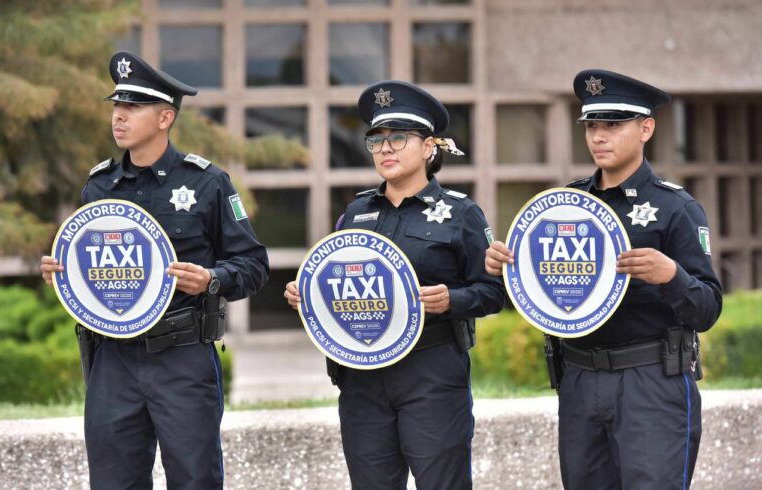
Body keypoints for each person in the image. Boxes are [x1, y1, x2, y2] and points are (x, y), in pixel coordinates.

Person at [40, 51, 269, 489]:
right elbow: (93, 266)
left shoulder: (207, 182)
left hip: (182, 356)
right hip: (113, 359)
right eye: (116, 105)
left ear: (166, 117)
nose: (119, 115)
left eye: (132, 107)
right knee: (113, 481)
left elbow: (254, 265)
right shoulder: (99, 185)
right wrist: (64, 271)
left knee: (195, 479)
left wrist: (211, 279)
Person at [485, 69, 723, 489]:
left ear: (646, 128)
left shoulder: (675, 207)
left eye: (613, 125)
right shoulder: (566, 205)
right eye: (592, 125)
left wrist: (671, 275)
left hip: (651, 381)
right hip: (579, 378)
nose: (598, 136)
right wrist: (505, 270)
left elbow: (707, 308)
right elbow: (540, 294)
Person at [285, 80, 505, 489]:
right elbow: (342, 283)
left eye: (399, 138)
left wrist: (451, 300)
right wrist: (308, 294)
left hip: (432, 373)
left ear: (428, 147)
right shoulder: (356, 212)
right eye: (376, 140)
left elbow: (494, 293)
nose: (385, 149)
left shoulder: (461, 213)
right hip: (362, 378)